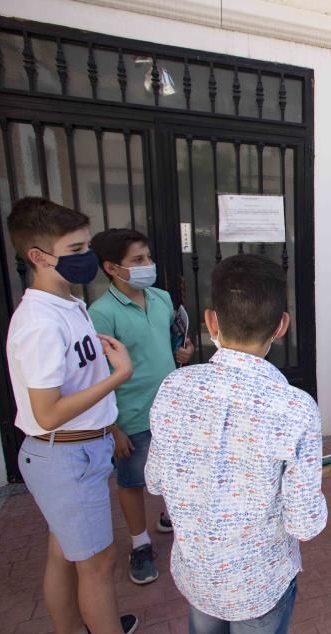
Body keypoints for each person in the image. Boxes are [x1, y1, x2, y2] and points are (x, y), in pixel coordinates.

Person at [4, 197, 182, 634]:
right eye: (76, 247)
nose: (85, 257)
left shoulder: (68, 305)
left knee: (65, 554)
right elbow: (47, 412)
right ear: (39, 256)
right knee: (97, 566)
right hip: (63, 454)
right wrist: (117, 379)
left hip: (78, 452)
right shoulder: (41, 322)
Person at [147, 254, 328, 634]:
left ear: (211, 321)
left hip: (197, 569)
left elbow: (156, 480)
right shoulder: (295, 408)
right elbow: (304, 523)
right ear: (282, 326)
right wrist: (309, 488)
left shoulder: (174, 387)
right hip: (258, 581)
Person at [88, 228, 195, 586]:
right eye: (137, 260)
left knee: (177, 471)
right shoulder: (100, 314)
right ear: (111, 268)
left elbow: (170, 341)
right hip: (130, 414)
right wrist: (112, 426)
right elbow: (95, 375)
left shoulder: (161, 298)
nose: (147, 265)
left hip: (171, 408)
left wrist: (184, 352)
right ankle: (139, 544)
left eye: (147, 257)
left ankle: (169, 518)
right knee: (132, 481)